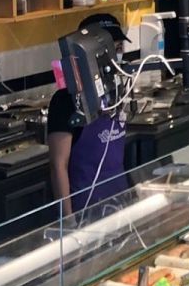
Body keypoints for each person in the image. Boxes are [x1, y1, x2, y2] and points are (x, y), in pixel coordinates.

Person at [47, 14, 131, 217]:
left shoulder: (119, 90)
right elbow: (58, 165)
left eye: (119, 48)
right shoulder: (66, 100)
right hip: (86, 210)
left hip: (120, 205)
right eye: (112, 48)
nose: (116, 55)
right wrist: (68, 221)